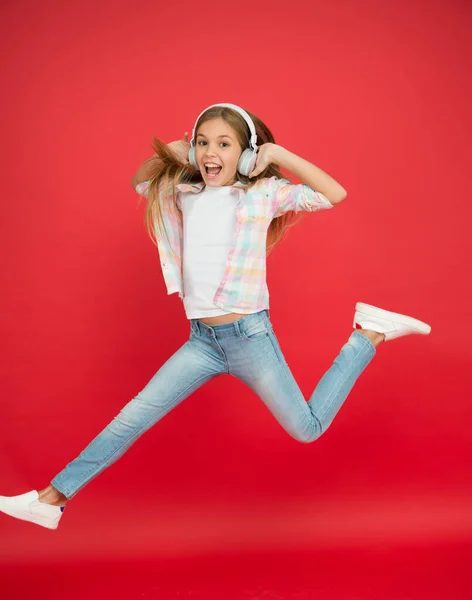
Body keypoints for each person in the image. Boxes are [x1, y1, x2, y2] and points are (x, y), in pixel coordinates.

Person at [0, 103, 431, 530]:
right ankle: (50, 500)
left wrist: (277, 156)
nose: (211, 152)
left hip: (250, 338)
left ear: (245, 155)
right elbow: (139, 182)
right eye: (203, 143)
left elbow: (333, 194)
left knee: (307, 429)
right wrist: (172, 153)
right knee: (131, 418)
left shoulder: (262, 194)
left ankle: (368, 334)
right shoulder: (184, 194)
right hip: (201, 342)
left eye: (225, 144)